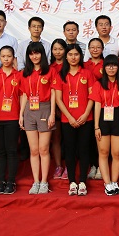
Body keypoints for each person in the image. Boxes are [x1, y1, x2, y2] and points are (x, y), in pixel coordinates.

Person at [53, 44, 95, 196]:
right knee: (70, 151)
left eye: (76, 54)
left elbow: (92, 96)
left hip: (86, 119)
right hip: (67, 120)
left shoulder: (87, 73)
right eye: (70, 54)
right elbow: (58, 99)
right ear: (66, 56)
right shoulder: (60, 75)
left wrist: (85, 114)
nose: (73, 57)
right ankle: (72, 182)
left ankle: (82, 181)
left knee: (84, 150)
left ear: (80, 56)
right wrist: (69, 117)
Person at [19, 42, 56, 195]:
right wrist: (21, 114)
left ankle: (44, 181)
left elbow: (53, 93)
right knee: (34, 150)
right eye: (31, 53)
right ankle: (36, 181)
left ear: (42, 54)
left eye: (37, 53)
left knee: (43, 149)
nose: (34, 56)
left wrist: (52, 113)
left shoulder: (50, 71)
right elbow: (24, 94)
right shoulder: (25, 72)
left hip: (45, 108)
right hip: (29, 110)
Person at [90, 54, 119, 196]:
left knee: (117, 153)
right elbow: (96, 105)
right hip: (103, 118)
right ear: (104, 68)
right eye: (108, 65)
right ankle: (107, 183)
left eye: (114, 65)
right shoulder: (98, 84)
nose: (111, 68)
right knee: (103, 152)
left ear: (118, 68)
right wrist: (96, 126)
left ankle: (114, 181)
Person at [0, 46, 21, 195]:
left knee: (12, 150)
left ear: (13, 58)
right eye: (3, 56)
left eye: (9, 56)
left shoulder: (19, 75)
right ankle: (1, 181)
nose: (6, 59)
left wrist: (21, 116)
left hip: (13, 118)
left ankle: (11, 181)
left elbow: (22, 96)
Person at [85, 37, 105, 181]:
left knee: (101, 136)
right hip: (86, 105)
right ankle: (93, 164)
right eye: (92, 47)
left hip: (103, 105)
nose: (95, 50)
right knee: (90, 138)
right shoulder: (84, 65)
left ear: (102, 49)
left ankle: (101, 166)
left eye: (98, 47)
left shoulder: (107, 64)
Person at [50, 38, 68, 180]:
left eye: (61, 49)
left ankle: (68, 166)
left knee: (69, 138)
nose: (58, 52)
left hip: (70, 108)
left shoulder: (71, 65)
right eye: (55, 49)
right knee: (56, 138)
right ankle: (58, 166)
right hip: (54, 108)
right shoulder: (49, 68)